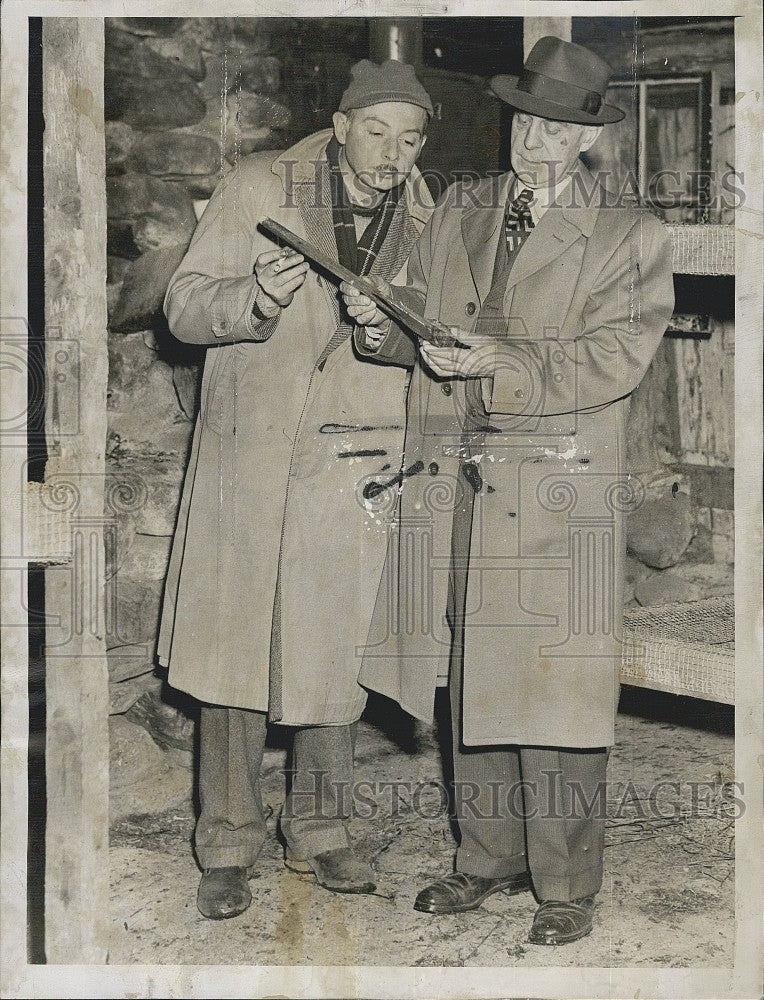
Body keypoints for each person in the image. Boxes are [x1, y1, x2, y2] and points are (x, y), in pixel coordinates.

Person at [342, 36, 675, 945]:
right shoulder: (465, 207)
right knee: (470, 670)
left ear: (586, 142)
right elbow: (423, 315)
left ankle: (566, 884)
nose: (534, 142)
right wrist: (384, 324)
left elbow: (617, 355)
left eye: (556, 130)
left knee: (552, 682)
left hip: (560, 481)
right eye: (525, 121)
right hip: (459, 473)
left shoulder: (628, 231)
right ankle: (482, 860)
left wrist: (506, 360)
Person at [158, 58, 434, 919]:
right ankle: (229, 841)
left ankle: (322, 831)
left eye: (411, 135)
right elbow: (182, 306)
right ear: (343, 123)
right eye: (378, 130)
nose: (392, 151)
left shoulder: (430, 216)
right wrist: (252, 298)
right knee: (233, 653)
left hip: (352, 462)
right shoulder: (257, 185)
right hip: (252, 453)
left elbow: (437, 338)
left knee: (332, 650)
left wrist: (390, 330)